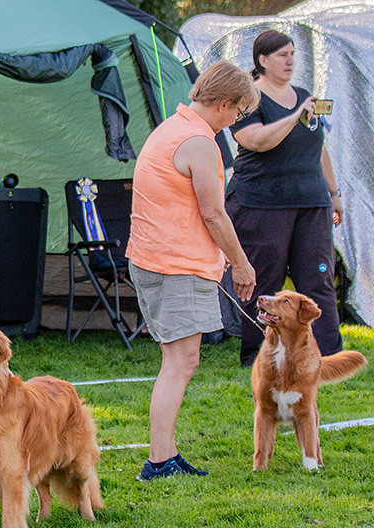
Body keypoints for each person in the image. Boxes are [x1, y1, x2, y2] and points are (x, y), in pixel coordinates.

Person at [125, 61, 258, 481]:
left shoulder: (171, 127)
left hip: (155, 259)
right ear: (223, 103)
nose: (237, 120)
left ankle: (165, 454)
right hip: (175, 264)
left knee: (178, 360)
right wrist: (241, 262)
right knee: (180, 362)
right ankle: (159, 461)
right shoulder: (199, 142)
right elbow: (215, 214)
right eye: (238, 112)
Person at [227, 30, 345, 367]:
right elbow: (257, 141)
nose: (290, 60)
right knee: (265, 282)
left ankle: (328, 356)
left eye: (292, 53)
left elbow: (318, 147)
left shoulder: (305, 96)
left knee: (318, 280)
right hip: (262, 203)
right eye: (282, 54)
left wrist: (333, 194)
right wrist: (294, 117)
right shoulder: (248, 99)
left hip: (311, 202)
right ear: (262, 61)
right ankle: (257, 355)